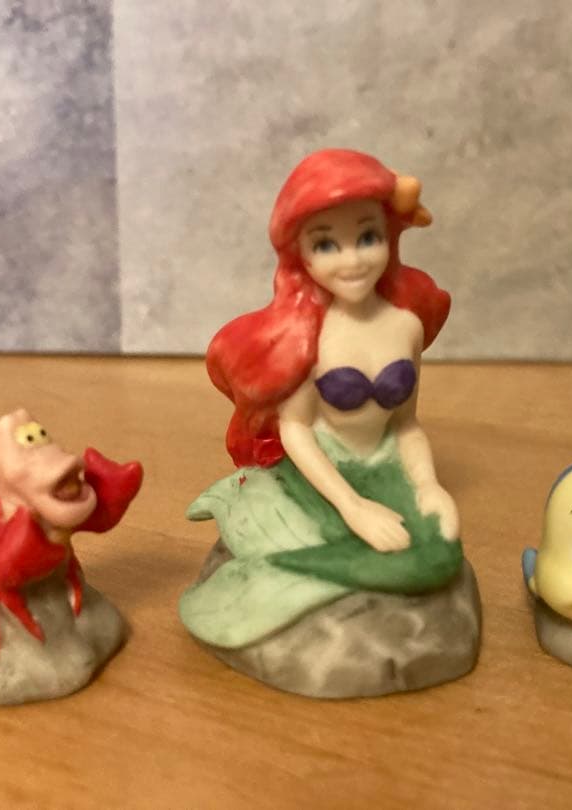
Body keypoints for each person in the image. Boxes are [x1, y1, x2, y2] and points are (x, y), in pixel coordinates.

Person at [181, 149, 464, 648]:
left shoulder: (406, 326)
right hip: (320, 467)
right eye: (327, 244)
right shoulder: (306, 339)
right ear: (302, 256)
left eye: (368, 237)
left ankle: (304, 578)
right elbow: (296, 431)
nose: (352, 260)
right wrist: (353, 508)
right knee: (373, 550)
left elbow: (405, 425)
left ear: (389, 237)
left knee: (438, 555)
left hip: (384, 462)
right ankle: (269, 585)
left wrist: (427, 485)